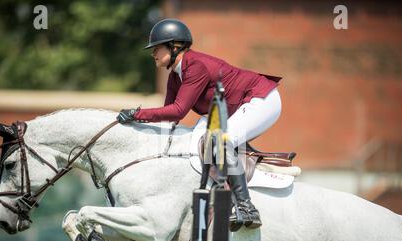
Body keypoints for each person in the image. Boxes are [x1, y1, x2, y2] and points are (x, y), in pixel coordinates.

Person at [117, 18, 282, 230]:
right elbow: (170, 119)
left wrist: (137, 113)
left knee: (221, 143)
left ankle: (246, 206)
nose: (153, 54)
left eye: (157, 48)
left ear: (175, 47)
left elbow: (178, 110)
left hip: (262, 99)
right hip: (225, 109)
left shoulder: (195, 66)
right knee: (195, 142)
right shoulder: (175, 77)